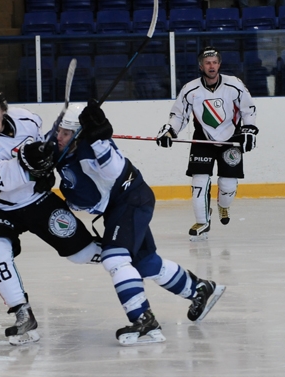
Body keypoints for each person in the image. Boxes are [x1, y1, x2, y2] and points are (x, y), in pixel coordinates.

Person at [23, 101, 225, 346]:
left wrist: (100, 140)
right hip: (120, 206)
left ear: (79, 135)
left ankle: (143, 319)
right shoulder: (61, 141)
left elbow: (114, 170)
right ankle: (200, 289)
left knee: (115, 259)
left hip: (131, 200)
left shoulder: (93, 150)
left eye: (66, 133)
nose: (59, 137)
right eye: (59, 131)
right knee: (145, 262)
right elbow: (43, 151)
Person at [0, 84, 102, 346]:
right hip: (0, 209)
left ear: (3, 109)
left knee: (84, 254)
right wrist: (30, 160)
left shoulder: (26, 117)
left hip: (39, 202)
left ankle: (137, 262)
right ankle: (21, 312)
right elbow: (4, 179)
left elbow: (46, 141)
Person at [155, 46, 259, 241]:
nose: (211, 66)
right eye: (207, 63)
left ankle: (223, 205)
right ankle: (203, 221)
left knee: (228, 186)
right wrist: (170, 129)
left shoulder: (234, 84)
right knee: (199, 181)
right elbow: (179, 114)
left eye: (214, 62)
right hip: (202, 138)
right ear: (201, 66)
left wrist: (250, 129)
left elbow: (248, 108)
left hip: (231, 139)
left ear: (219, 64)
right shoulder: (190, 89)